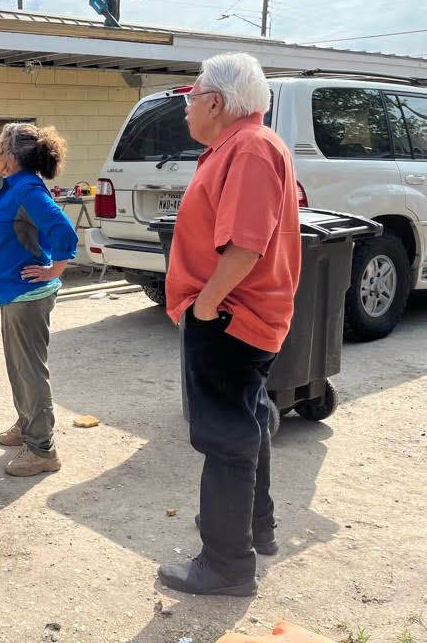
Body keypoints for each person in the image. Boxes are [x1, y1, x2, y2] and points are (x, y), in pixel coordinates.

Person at [157, 52, 300, 597]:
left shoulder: (249, 148)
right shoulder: (241, 146)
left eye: (192, 98)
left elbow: (244, 245)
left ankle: (226, 564)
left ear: (215, 102)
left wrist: (204, 306)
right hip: (239, 314)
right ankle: (253, 527)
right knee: (249, 419)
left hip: (230, 316)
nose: (187, 108)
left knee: (224, 437)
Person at [0, 123, 78, 476]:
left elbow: (63, 230)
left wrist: (56, 268)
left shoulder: (26, 189)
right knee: (17, 366)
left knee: (29, 369)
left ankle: (43, 450)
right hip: (12, 290)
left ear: (10, 157)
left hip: (29, 294)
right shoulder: (13, 187)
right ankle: (28, 425)